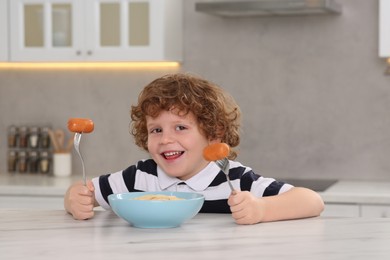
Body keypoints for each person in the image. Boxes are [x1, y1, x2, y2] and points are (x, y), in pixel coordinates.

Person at [64, 73, 324, 225]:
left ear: (213, 133)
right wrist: (74, 200)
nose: (166, 139)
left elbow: (312, 201)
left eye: (180, 128)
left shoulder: (235, 180)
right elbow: (83, 192)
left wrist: (261, 209)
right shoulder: (140, 178)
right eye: (156, 130)